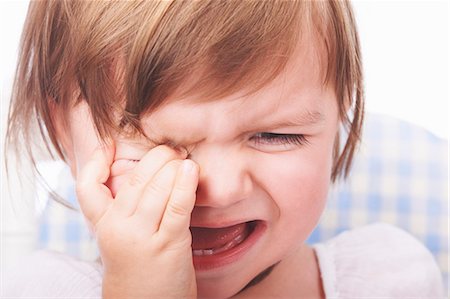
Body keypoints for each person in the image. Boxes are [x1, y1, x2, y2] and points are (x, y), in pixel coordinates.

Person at [4, 0, 444, 298]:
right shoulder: (45, 289)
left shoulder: (387, 279)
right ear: (60, 129)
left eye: (277, 136)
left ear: (336, 122)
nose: (222, 188)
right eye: (159, 146)